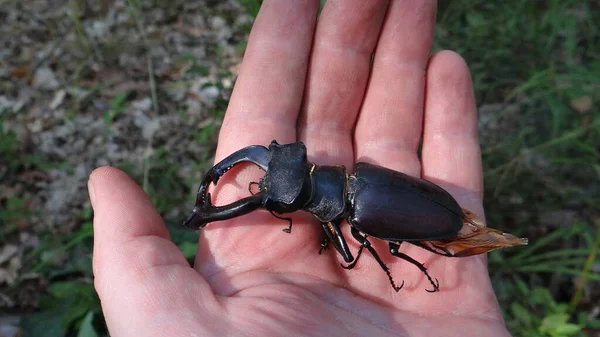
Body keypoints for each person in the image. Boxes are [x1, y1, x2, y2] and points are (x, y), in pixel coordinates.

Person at [88, 1, 512, 336]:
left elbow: (354, 239)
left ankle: (430, 254)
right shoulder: (364, 171)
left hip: (434, 216)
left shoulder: (359, 219)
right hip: (425, 205)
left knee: (387, 245)